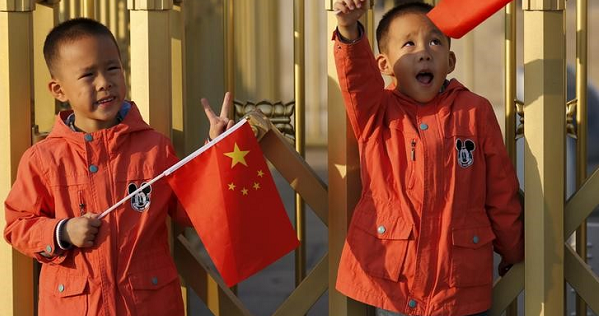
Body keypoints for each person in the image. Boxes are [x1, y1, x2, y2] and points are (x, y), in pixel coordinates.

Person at [3, 18, 232, 316]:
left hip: (149, 305)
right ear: (59, 90)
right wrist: (62, 231)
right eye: (88, 75)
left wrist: (213, 149)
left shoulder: (154, 147)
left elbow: (189, 209)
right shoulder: (45, 159)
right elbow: (17, 225)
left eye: (112, 68)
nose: (104, 82)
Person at [332, 1, 524, 316]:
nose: (424, 51)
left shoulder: (474, 111)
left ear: (450, 60)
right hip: (394, 281)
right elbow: (356, 80)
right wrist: (349, 30)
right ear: (385, 64)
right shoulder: (376, 112)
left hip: (459, 284)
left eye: (435, 42)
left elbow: (500, 189)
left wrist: (513, 249)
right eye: (409, 43)